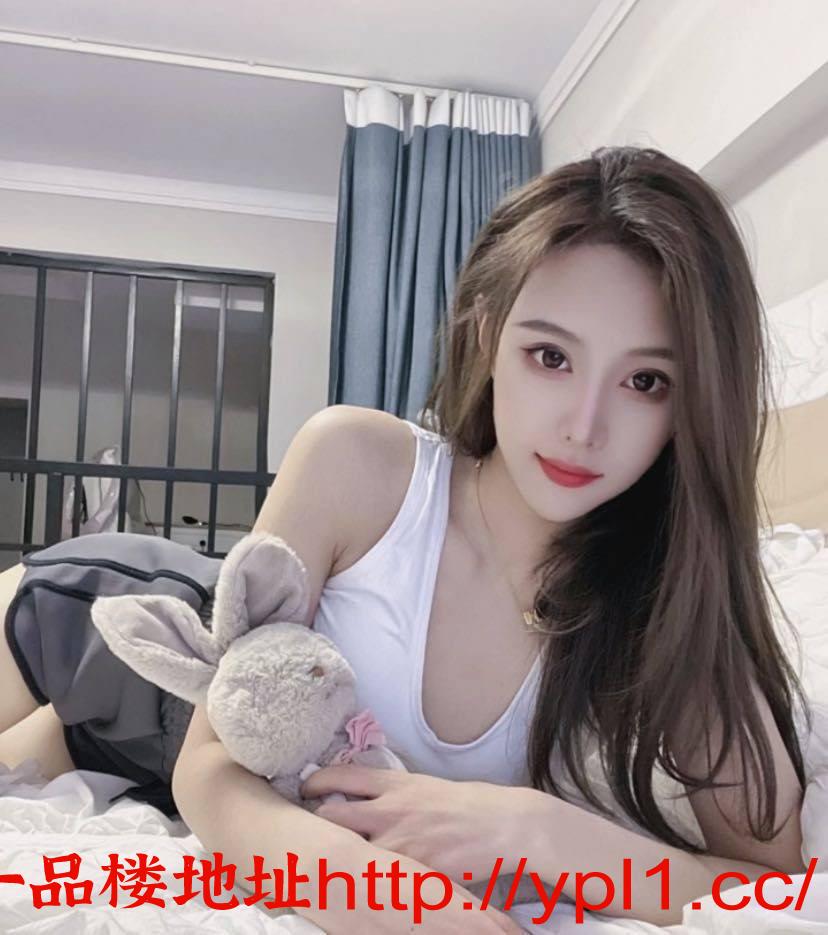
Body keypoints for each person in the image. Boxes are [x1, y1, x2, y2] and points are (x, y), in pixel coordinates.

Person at [0, 146, 812, 933]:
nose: (584, 426)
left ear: (692, 403)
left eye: (645, 381)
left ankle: (69, 736)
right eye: (550, 355)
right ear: (488, 334)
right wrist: (372, 891)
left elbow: (770, 886)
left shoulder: (671, 606)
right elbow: (208, 765)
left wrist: (537, 831)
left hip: (187, 757)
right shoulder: (358, 462)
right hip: (107, 616)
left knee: (57, 755)